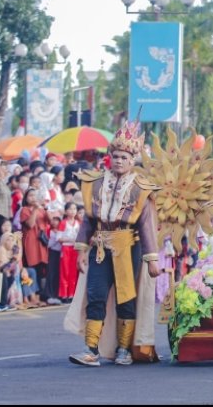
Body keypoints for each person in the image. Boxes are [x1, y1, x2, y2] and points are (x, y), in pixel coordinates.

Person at [66, 120, 161, 367]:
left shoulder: (141, 188)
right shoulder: (94, 183)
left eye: (124, 157)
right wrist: (81, 250)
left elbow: (147, 226)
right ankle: (90, 349)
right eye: (116, 156)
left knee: (126, 299)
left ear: (132, 161)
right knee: (95, 295)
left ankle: (123, 349)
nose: (119, 161)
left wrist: (152, 259)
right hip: (99, 247)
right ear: (109, 157)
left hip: (129, 247)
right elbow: (87, 221)